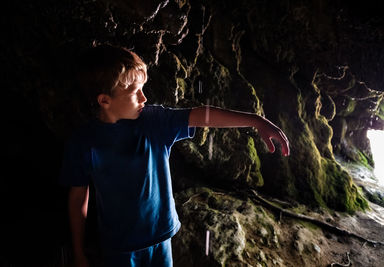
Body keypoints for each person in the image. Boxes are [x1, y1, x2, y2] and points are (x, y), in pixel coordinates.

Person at [60, 45, 290, 267]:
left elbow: (202, 116)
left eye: (143, 88)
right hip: (118, 247)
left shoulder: (154, 122)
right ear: (104, 100)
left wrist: (256, 120)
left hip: (161, 240)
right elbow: (79, 197)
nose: (144, 98)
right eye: (134, 92)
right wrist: (79, 253)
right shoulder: (84, 143)